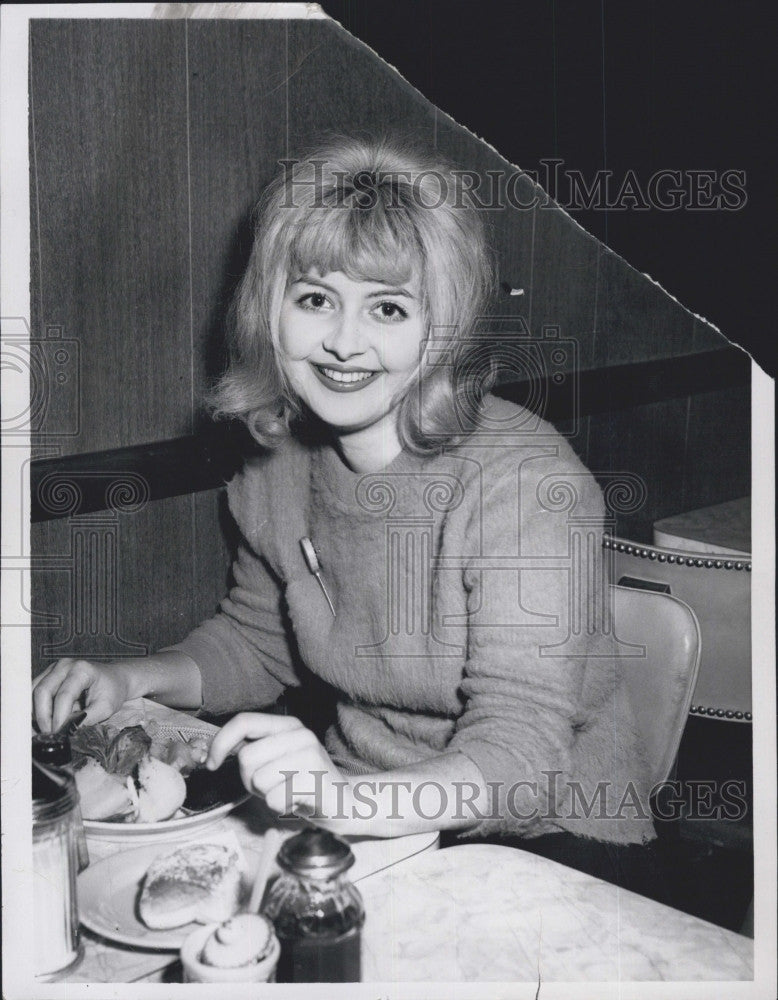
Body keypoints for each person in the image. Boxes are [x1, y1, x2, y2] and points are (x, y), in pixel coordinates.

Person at [32, 137, 656, 861]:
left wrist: (342, 800)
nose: (342, 343)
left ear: (442, 329)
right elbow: (259, 642)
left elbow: (521, 761)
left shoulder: (524, 481)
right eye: (316, 299)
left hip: (550, 840)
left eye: (388, 309)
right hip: (367, 810)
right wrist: (130, 677)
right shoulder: (277, 458)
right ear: (272, 311)